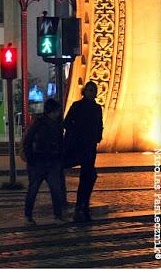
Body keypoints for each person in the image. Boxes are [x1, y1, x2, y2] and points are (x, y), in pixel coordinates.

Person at [64, 81, 103, 223]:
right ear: (84, 91)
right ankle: (81, 206)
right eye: (89, 90)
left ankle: (83, 205)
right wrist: (77, 133)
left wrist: (98, 137)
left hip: (91, 146)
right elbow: (67, 122)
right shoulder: (77, 106)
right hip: (79, 145)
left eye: (93, 90)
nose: (91, 92)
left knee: (88, 176)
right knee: (87, 176)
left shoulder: (97, 108)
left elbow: (100, 124)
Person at [23, 98, 65, 225]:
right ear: (52, 111)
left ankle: (56, 215)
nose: (58, 113)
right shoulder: (40, 123)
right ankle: (29, 216)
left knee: (54, 189)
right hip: (40, 161)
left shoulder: (56, 124)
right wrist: (31, 158)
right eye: (57, 111)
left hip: (49, 161)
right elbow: (28, 140)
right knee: (36, 189)